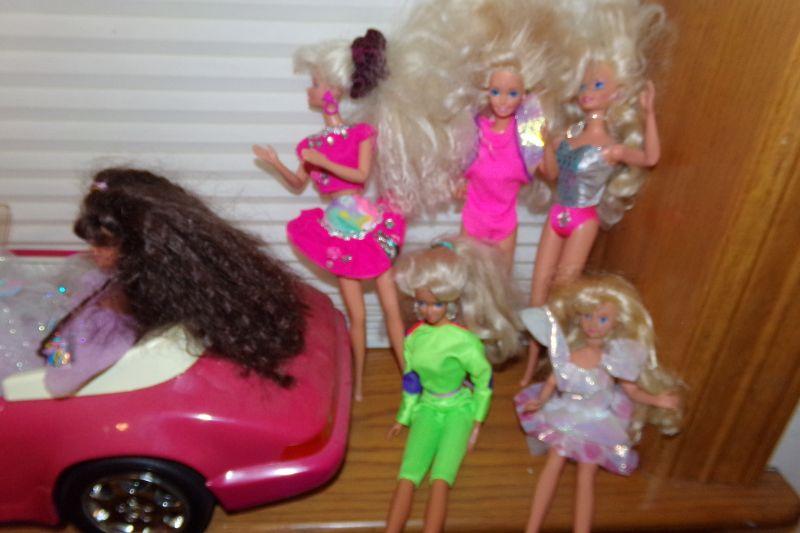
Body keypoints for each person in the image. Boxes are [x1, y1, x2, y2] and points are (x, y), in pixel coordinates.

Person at [36, 167, 306, 396]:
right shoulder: (188, 286)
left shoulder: (115, 318)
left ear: (140, 249)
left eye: (102, 243)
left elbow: (58, 380)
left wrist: (60, 345)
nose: (93, 251)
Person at [252, 29, 405, 400]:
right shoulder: (309, 145)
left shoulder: (361, 134)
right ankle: (358, 385)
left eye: (315, 83)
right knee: (357, 315)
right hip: (337, 227)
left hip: (367, 222)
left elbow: (361, 176)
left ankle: (408, 376)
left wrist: (322, 161)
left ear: (333, 90)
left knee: (391, 307)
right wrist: (276, 164)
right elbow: (297, 184)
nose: (310, 90)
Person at [514, 273, 682, 533]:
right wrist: (540, 401)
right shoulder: (571, 354)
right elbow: (552, 381)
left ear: (616, 323)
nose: (592, 324)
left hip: (597, 421)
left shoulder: (615, 358)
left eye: (602, 319)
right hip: (567, 414)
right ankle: (532, 527)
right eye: (587, 316)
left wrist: (656, 399)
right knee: (553, 464)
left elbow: (631, 390)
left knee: (586, 474)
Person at [385, 236, 522, 533]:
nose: (428, 310)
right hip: (427, 408)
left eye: (436, 304)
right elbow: (412, 379)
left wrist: (477, 421)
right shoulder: (415, 337)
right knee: (408, 475)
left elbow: (483, 380)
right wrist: (404, 416)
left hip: (458, 410)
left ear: (451, 303)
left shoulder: (464, 341)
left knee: (440, 479)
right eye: (422, 303)